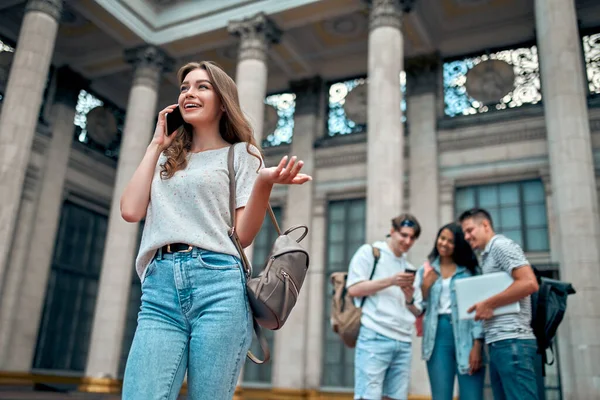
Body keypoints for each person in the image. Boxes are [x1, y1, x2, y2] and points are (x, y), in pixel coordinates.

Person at [119, 61, 311, 400]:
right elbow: (131, 210)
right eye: (184, 88)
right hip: (159, 290)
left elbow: (243, 235)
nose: (189, 93)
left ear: (222, 101)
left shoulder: (242, 154)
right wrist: (155, 146)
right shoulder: (167, 159)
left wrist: (264, 182)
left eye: (202, 86)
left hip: (219, 285)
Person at [459, 208, 540, 400]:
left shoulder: (501, 246)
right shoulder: (486, 256)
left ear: (485, 225)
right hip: (499, 343)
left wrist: (489, 304)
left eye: (470, 230)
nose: (467, 236)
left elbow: (529, 283)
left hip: (513, 342)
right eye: (464, 233)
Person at [346, 214, 423, 400]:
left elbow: (418, 310)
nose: (407, 241)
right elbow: (354, 289)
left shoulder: (411, 268)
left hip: (403, 341)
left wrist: (409, 299)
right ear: (392, 232)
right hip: (374, 336)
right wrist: (390, 281)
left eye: (412, 238)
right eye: (403, 235)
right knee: (368, 396)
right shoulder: (371, 253)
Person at [416, 222, 485, 400]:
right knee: (441, 396)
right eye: (442, 238)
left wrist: (478, 344)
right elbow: (418, 307)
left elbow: (480, 310)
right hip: (437, 336)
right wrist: (425, 285)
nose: (444, 243)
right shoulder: (426, 270)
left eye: (450, 241)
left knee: (472, 396)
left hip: (467, 335)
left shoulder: (471, 271)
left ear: (459, 245)